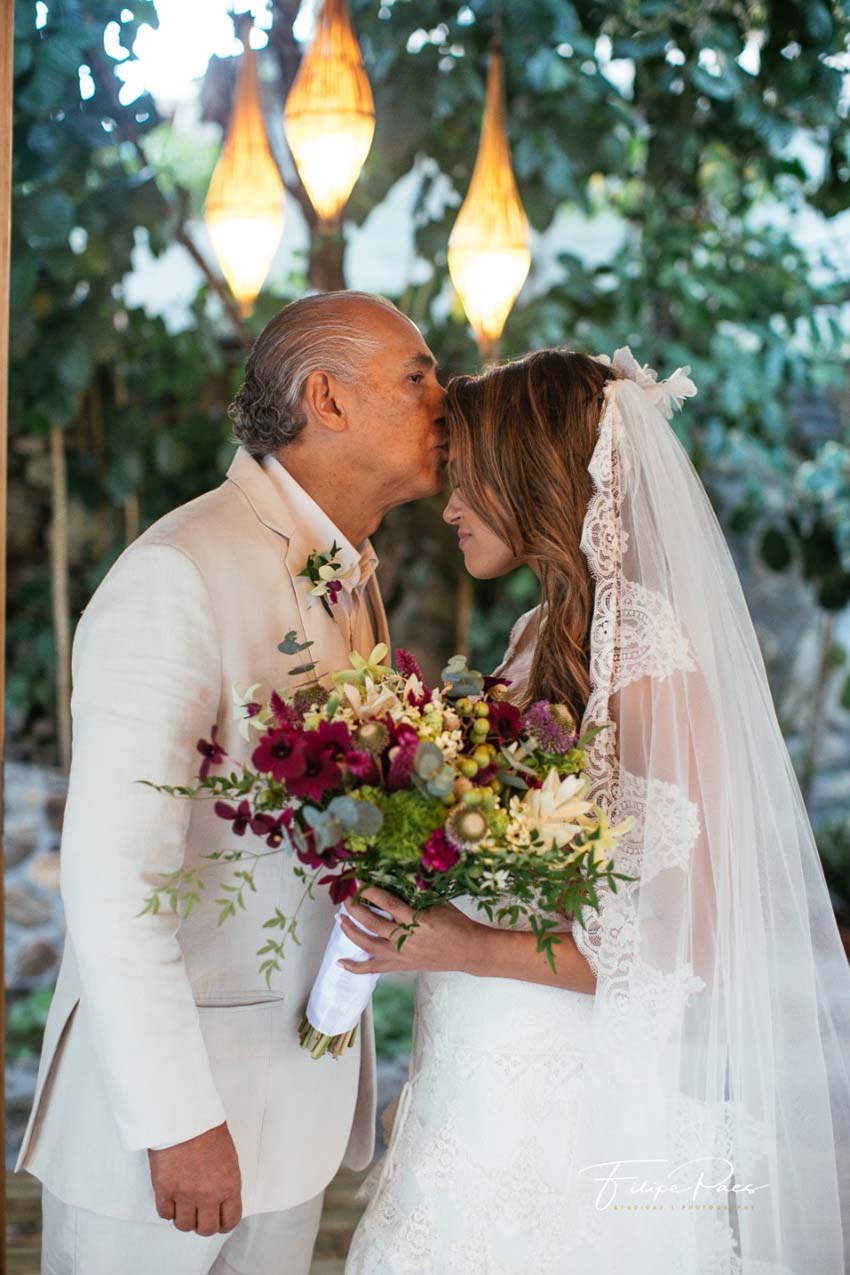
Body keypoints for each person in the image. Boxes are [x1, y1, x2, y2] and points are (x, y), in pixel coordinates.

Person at [342, 347, 850, 1272]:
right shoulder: (540, 634)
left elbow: (683, 945)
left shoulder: (653, 658)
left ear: (530, 478)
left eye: (467, 482)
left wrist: (462, 945)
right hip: (482, 1065)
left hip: (577, 1106)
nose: (449, 506)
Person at [17, 290, 446, 1275]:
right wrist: (177, 1121)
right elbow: (113, 877)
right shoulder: (179, 570)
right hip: (173, 1132)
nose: (445, 404)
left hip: (289, 1110)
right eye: (419, 379)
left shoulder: (348, 572)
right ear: (326, 399)